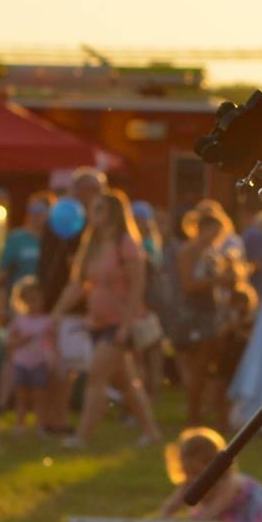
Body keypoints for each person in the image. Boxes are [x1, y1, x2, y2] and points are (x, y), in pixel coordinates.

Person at [55, 188, 162, 447]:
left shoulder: (126, 244)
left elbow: (138, 285)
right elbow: (80, 284)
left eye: (99, 209)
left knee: (96, 377)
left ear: (113, 213)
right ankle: (151, 432)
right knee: (126, 382)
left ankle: (82, 437)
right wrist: (57, 312)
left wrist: (126, 325)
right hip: (99, 321)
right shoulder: (92, 245)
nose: (93, 214)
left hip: (121, 323)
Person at [38, 168, 107, 431]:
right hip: (63, 302)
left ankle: (54, 419)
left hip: (78, 303)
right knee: (61, 365)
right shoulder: (71, 221)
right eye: (94, 189)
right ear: (79, 191)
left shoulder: (83, 222)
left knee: (68, 366)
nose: (98, 195)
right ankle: (56, 420)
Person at [169, 203, 236, 428]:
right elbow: (188, 284)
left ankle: (212, 414)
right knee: (198, 367)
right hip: (196, 313)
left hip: (212, 312)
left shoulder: (213, 253)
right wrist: (218, 280)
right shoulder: (189, 251)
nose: (217, 236)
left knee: (212, 367)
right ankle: (195, 415)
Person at [153, 426, 262, 522]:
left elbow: (212, 512)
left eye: (196, 472)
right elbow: (170, 507)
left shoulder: (230, 483)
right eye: (187, 472)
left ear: (214, 467)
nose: (191, 479)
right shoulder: (190, 482)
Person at [0, 192, 50, 410]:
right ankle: (2, 400)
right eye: (32, 211)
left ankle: (38, 405)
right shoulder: (17, 238)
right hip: (20, 307)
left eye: (41, 211)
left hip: (45, 307)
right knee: (13, 352)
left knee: (42, 353)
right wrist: (2, 306)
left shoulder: (53, 240)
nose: (36, 216)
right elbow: (2, 276)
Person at [3, 276, 55, 433]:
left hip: (39, 363)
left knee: (39, 397)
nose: (33, 304)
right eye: (29, 300)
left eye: (36, 300)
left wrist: (52, 359)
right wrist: (21, 341)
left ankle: (40, 425)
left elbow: (52, 343)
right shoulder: (18, 322)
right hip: (21, 363)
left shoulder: (47, 321)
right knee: (21, 397)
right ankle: (19, 425)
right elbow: (10, 343)